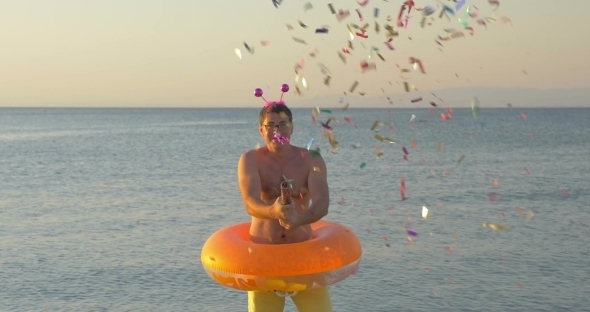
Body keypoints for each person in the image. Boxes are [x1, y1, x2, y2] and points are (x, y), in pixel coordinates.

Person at [237, 100, 333, 312]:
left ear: (292, 128)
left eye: (282, 124)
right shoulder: (250, 160)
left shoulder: (311, 159)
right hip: (264, 257)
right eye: (270, 125)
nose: (276, 130)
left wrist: (298, 219)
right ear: (261, 130)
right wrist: (273, 211)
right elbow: (250, 204)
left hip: (304, 256)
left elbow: (322, 203)